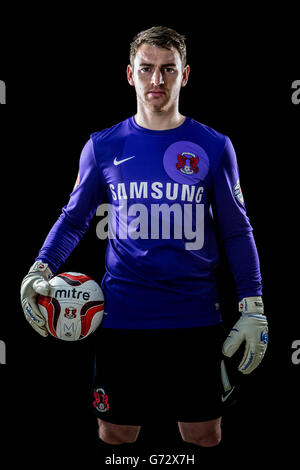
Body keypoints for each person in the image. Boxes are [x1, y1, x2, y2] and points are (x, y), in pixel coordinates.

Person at [20, 26, 268, 451]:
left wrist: (253, 305)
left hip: (195, 316)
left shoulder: (214, 145)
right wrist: (40, 267)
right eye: (147, 69)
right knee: (116, 433)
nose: (157, 80)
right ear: (130, 75)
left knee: (203, 433)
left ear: (184, 75)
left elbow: (236, 229)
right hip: (120, 316)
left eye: (168, 69)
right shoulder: (103, 145)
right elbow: (75, 218)